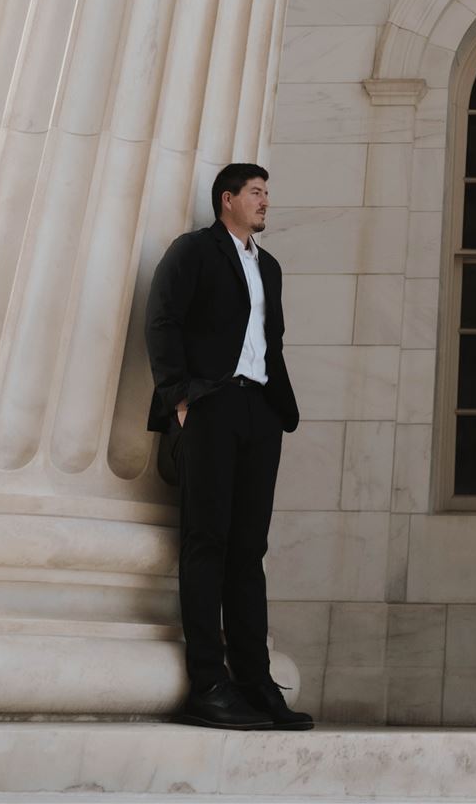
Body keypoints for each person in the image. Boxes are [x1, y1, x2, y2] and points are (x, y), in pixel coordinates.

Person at [145, 162, 312, 731]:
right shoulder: (193, 251)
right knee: (205, 544)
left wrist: (279, 408)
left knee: (248, 552)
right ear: (227, 200)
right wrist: (178, 397)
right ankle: (207, 684)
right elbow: (162, 319)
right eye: (257, 193)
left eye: (268, 192)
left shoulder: (270, 266)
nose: (266, 202)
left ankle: (254, 682)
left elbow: (273, 341)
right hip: (209, 406)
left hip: (260, 412)